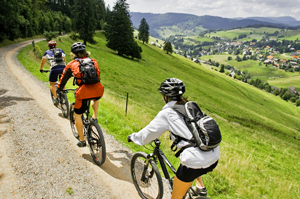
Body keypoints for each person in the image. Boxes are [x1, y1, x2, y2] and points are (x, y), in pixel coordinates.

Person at [128, 78, 220, 199]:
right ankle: (199, 186)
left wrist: (133, 137)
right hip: (213, 155)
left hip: (195, 161)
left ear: (166, 97)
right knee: (193, 156)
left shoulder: (167, 113)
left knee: (176, 196)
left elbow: (148, 133)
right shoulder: (190, 106)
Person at [57, 42, 104, 147]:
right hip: (98, 90)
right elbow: (98, 76)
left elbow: (64, 77)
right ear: (85, 52)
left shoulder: (72, 64)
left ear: (73, 54)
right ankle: (94, 118)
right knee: (95, 99)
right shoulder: (93, 61)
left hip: (83, 92)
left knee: (77, 115)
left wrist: (59, 88)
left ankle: (82, 140)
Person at [40, 40, 67, 106]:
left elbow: (43, 61)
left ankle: (56, 98)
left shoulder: (47, 52)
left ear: (49, 46)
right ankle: (64, 95)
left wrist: (41, 69)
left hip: (54, 68)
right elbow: (64, 59)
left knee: (52, 83)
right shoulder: (60, 50)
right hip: (63, 68)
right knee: (62, 82)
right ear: (56, 45)